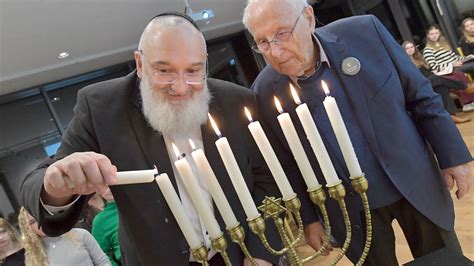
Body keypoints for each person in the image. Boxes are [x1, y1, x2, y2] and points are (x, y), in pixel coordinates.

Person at [20, 12, 289, 265]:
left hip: (239, 254)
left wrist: (260, 252)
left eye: (193, 71)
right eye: (164, 71)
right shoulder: (102, 106)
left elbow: (266, 179)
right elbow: (38, 183)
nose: (181, 87)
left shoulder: (237, 101)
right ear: (140, 63)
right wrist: (55, 186)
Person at [243, 0, 473, 265]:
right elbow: (288, 164)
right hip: (349, 210)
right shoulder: (265, 92)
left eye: (282, 33)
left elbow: (420, 97)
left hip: (414, 180)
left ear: (308, 18)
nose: (276, 51)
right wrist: (309, 219)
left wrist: (452, 156)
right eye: (262, 42)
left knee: (444, 260)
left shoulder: (365, 34)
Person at [402, 40, 471, 123]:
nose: (410, 49)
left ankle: (451, 116)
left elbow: (430, 71)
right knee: (436, 78)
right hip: (420, 85)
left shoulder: (420, 59)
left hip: (430, 81)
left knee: (440, 87)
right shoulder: (404, 63)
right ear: (403, 50)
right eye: (407, 48)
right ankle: (465, 87)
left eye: (411, 47)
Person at [18, 207, 110, 266]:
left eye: (40, 217)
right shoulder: (33, 254)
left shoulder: (80, 234)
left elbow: (103, 262)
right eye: (33, 222)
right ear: (28, 228)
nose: (40, 224)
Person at [92, 188, 121, 266]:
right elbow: (100, 255)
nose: (108, 189)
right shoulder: (100, 220)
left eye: (111, 184)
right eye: (103, 185)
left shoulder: (142, 205)